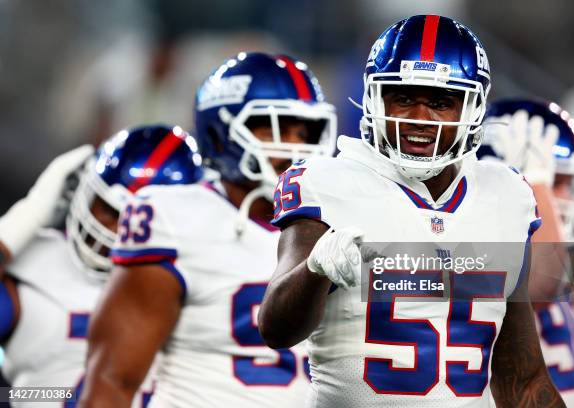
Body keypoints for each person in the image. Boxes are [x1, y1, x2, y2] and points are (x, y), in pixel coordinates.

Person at [258, 15, 565, 407]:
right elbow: (275, 329)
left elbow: (522, 380)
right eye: (404, 98)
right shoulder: (327, 182)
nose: (420, 119)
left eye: (440, 102)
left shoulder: (505, 195)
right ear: (374, 98)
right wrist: (315, 270)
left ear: (472, 108)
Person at [79, 52, 337, 407]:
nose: (294, 147)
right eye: (271, 128)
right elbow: (112, 381)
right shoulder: (173, 217)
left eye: (303, 130)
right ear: (220, 134)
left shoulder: (342, 223)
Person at [0, 124, 203, 407]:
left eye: (141, 222)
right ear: (84, 191)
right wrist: (24, 219)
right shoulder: (36, 263)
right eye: (110, 210)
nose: (118, 232)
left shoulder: (206, 280)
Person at [480, 98, 574, 408]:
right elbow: (541, 283)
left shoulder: (561, 262)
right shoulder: (482, 254)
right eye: (555, 182)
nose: (563, 197)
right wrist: (534, 183)